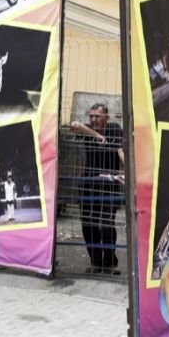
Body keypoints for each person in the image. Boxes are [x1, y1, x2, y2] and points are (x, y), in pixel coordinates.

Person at [70, 104, 124, 274]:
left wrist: (126, 170)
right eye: (91, 116)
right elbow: (73, 125)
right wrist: (97, 136)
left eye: (98, 116)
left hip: (108, 185)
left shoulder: (114, 129)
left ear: (107, 117)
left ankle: (109, 263)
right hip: (88, 184)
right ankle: (96, 262)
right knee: (88, 223)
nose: (94, 120)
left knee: (107, 223)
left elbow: (121, 150)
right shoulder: (88, 132)